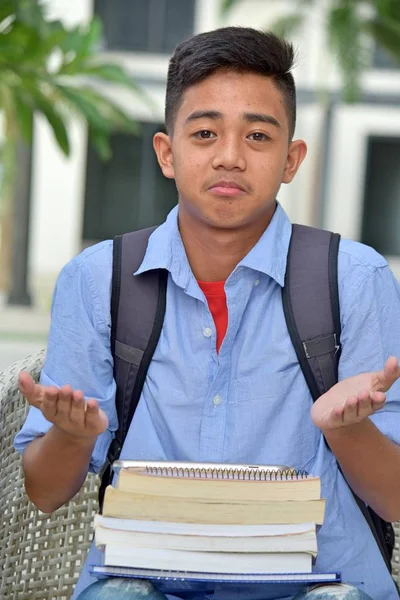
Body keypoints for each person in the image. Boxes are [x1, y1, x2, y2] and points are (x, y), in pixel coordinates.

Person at [14, 26, 400, 600]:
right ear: (167, 153)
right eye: (204, 132)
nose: (229, 157)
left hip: (322, 583)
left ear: (291, 159)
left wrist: (346, 432)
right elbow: (45, 493)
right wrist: (73, 437)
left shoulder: (356, 279)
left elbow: (393, 499)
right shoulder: (97, 280)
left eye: (258, 136)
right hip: (139, 581)